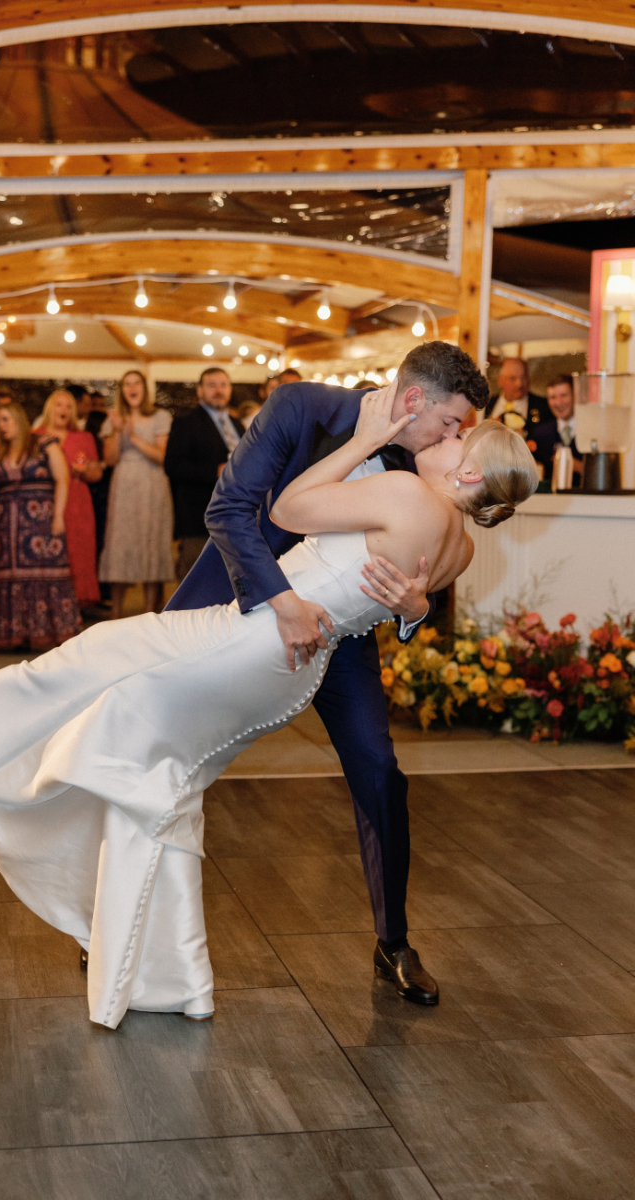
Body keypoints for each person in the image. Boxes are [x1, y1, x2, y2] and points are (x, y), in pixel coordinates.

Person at [0, 402, 536, 1029]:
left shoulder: (403, 490)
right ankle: (164, 969)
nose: (450, 434)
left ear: (471, 474)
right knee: (162, 776)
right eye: (452, 423)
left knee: (109, 674)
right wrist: (418, 606)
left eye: (462, 436)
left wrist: (363, 442)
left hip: (258, 640)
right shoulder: (461, 548)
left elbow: (287, 509)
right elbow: (404, 594)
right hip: (288, 668)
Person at [168, 342, 490, 1005]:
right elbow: (228, 513)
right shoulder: (301, 408)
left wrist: (415, 610)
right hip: (242, 607)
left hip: (340, 642)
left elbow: (429, 572)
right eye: (452, 424)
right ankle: (113, 917)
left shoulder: (421, 464)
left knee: (380, 771)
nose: (456, 439)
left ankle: (393, 943)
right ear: (413, 402)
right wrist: (283, 605)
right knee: (169, 757)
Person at [0, 401, 81, 650]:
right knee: (11, 574)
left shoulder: (45, 443)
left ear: (19, 419)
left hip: (41, 520)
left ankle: (51, 631)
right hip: (6, 525)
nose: (2, 426)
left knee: (48, 571)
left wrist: (58, 516)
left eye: (6, 419)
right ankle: (16, 634)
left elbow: (63, 479)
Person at [98, 371, 174, 619]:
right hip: (123, 485)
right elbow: (110, 459)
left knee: (151, 542)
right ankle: (115, 615)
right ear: (122, 390)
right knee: (121, 542)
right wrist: (118, 432)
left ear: (144, 388)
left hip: (153, 484)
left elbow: (162, 456)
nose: (132, 388)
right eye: (127, 384)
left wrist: (132, 436)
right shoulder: (114, 419)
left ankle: (150, 615)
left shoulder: (160, 416)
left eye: (137, 383)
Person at [164, 368, 244, 581]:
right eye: (212, 385)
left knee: (231, 583)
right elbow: (172, 465)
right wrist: (214, 471)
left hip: (238, 519)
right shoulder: (185, 422)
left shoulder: (237, 424)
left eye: (223, 385)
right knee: (195, 582)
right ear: (199, 390)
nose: (218, 390)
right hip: (199, 518)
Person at [33, 390, 101, 609]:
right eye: (58, 405)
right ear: (49, 408)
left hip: (77, 501)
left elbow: (97, 473)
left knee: (77, 553)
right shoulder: (34, 435)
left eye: (68, 406)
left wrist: (81, 471)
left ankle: (76, 605)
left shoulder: (84, 438)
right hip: (45, 501)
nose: (63, 410)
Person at [529, 374, 582, 487]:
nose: (558, 403)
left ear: (575, 396)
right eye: (553, 397)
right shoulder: (540, 434)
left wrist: (581, 467)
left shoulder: (590, 431)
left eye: (564, 395)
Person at [488, 357, 551, 437]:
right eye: (513, 378)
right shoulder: (486, 406)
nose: (519, 384)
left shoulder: (544, 406)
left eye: (523, 377)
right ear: (500, 380)